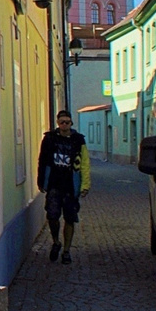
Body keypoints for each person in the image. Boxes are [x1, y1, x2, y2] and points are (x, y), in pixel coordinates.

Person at [37, 110, 90, 264]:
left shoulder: (78, 140)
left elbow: (85, 163)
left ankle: (66, 251)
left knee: (70, 218)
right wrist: (41, 181)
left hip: (71, 186)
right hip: (54, 184)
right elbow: (42, 160)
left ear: (71, 123)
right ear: (58, 123)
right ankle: (56, 241)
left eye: (67, 122)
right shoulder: (49, 139)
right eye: (62, 122)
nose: (64, 125)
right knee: (52, 216)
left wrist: (85, 184)